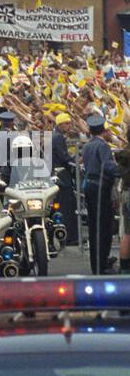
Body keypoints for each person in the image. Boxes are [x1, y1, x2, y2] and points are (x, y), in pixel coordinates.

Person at [81, 114, 118, 274]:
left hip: (90, 187)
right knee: (103, 227)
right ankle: (101, 265)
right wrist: (123, 169)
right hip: (100, 188)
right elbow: (109, 167)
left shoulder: (88, 146)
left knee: (95, 227)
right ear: (104, 130)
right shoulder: (103, 146)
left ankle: (98, 262)